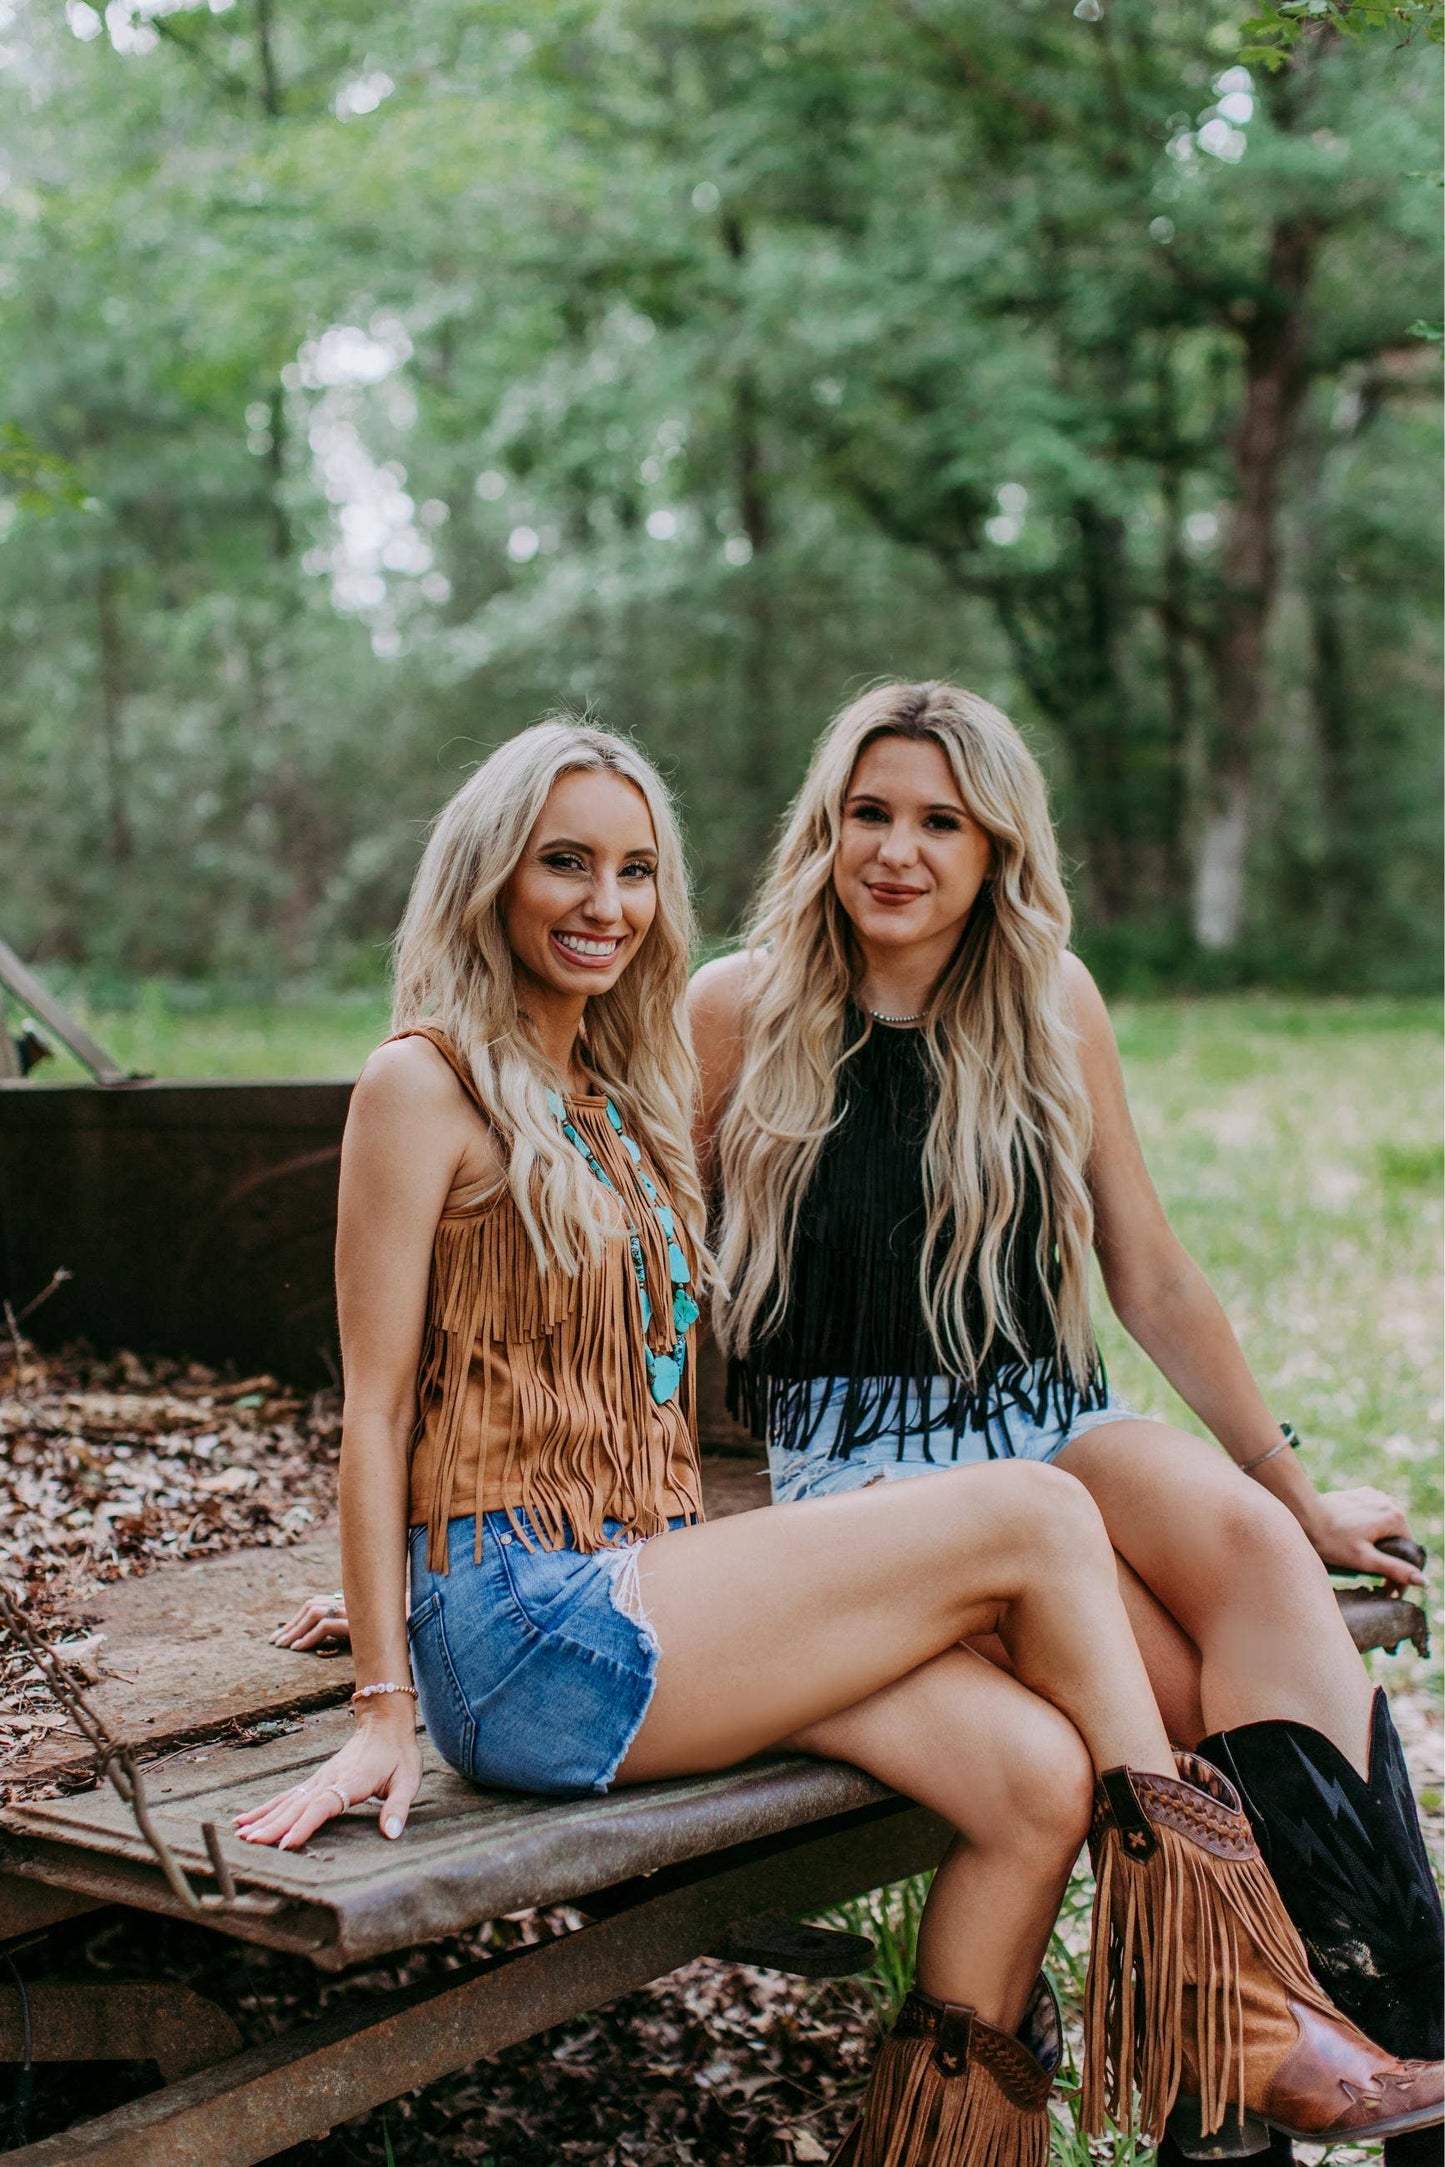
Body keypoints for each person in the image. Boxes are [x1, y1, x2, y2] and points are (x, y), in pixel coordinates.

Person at [242, 719, 1441, 2167]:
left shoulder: (612, 1109)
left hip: (619, 1578)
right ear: (487, 875)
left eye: (633, 871)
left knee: (1031, 1783)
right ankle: (1230, 2005)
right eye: (564, 863)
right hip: (530, 1635)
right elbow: (377, 1402)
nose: (603, 904)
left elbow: (595, 1386)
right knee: (1033, 1519)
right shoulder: (423, 1082)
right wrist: (387, 1682)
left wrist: (414, 1567)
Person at [690, 678, 1444, 2164]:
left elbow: (1145, 1269)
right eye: (868, 814)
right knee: (1167, 1682)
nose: (895, 852)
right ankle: (1247, 2075)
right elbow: (641, 1288)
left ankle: (1397, 2038)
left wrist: (1293, 1494)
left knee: (1245, 1545)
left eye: (937, 822)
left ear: (993, 848)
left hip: (1050, 1417)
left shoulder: (1047, 995)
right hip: (857, 1464)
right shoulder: (737, 1005)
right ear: (823, 826)